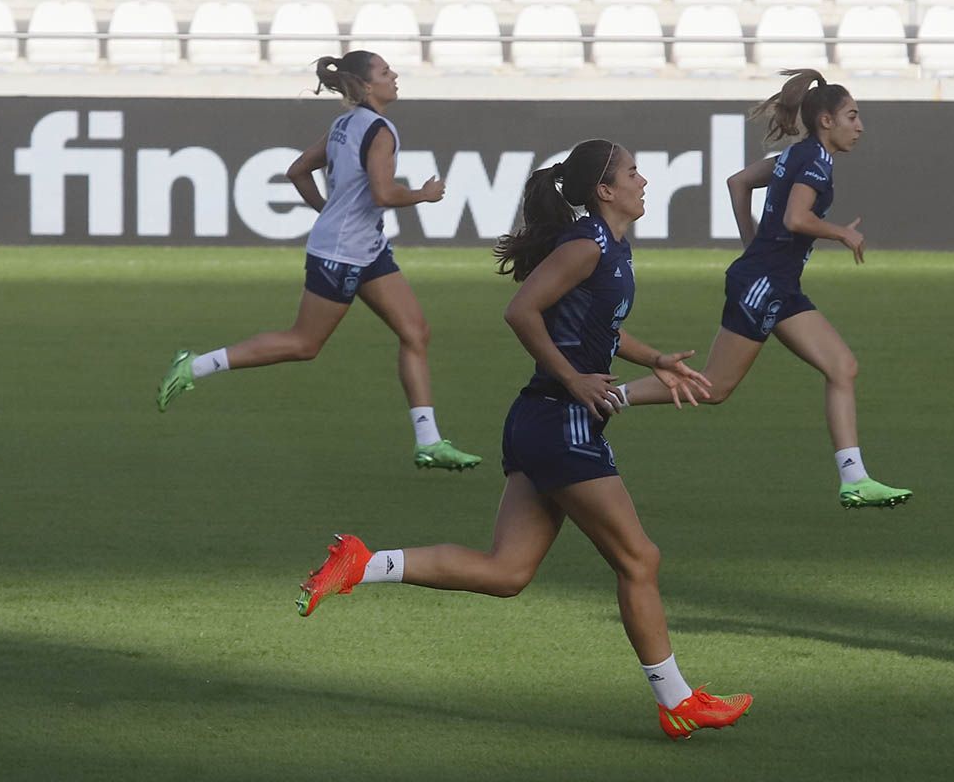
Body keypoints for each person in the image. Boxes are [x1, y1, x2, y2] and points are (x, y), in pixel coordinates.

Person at [294, 139, 752, 740]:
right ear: (605, 191)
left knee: (507, 572)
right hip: (559, 421)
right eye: (634, 173)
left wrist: (655, 356)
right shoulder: (586, 246)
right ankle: (678, 699)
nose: (645, 181)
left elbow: (597, 327)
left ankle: (362, 562)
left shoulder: (610, 245)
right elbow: (521, 312)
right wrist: (573, 378)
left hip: (541, 420)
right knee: (639, 558)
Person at [155, 51, 481, 471]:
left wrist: (330, 213)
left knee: (415, 331)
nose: (394, 75)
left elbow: (297, 170)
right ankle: (195, 365)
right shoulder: (379, 130)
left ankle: (429, 441)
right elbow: (382, 193)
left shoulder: (345, 123)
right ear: (366, 86)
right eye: (385, 72)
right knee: (304, 344)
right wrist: (423, 194)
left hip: (365, 248)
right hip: (342, 255)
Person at [615, 69, 912, 510]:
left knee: (842, 367)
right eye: (852, 115)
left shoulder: (799, 153)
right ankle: (603, 399)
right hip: (763, 286)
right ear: (826, 121)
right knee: (714, 388)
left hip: (777, 285)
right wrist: (839, 233)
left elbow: (738, 182)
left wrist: (750, 242)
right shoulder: (814, 162)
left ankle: (854, 478)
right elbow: (796, 218)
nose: (860, 125)